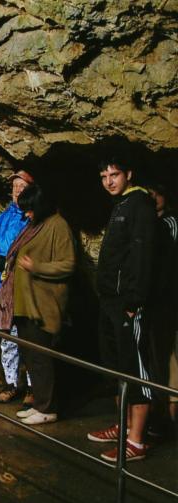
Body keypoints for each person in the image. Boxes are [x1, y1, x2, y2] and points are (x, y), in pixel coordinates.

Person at [89, 157, 157, 462]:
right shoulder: (121, 205)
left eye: (114, 174)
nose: (109, 181)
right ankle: (125, 425)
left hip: (127, 303)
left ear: (129, 173)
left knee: (134, 366)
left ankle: (137, 440)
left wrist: (133, 301)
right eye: (104, 176)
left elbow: (142, 256)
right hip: (111, 301)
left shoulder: (139, 205)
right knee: (116, 366)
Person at [0, 184, 76, 425]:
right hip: (24, 304)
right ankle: (39, 403)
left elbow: (68, 264)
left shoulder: (58, 226)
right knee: (31, 357)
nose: (26, 214)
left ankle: (47, 407)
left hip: (42, 304)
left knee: (41, 358)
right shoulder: (35, 225)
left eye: (30, 209)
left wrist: (36, 267)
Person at [0, 170, 34, 404]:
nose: (17, 191)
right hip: (3, 284)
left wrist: (7, 262)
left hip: (24, 287)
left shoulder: (33, 218)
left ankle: (33, 387)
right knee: (7, 338)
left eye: (22, 187)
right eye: (15, 187)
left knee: (29, 339)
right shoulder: (4, 217)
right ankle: (11, 383)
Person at [144, 183, 177, 426]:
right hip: (153, 300)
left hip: (166, 301)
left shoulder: (170, 223)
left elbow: (167, 266)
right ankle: (159, 410)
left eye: (157, 194)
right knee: (155, 357)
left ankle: (167, 413)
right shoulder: (150, 223)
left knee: (167, 357)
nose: (153, 198)